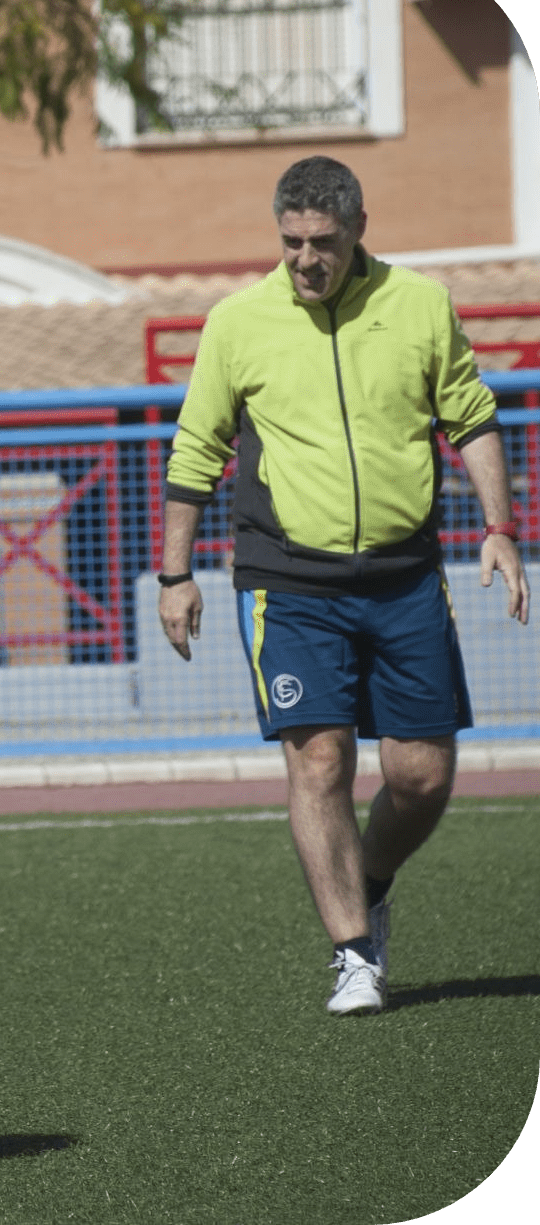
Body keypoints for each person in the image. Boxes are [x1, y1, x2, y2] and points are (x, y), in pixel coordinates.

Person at [159, 156, 529, 1016]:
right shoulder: (238, 323)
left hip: (405, 576)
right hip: (287, 580)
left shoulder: (420, 306)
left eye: (322, 243)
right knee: (319, 755)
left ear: (360, 227)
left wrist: (501, 528)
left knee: (422, 776)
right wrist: (175, 574)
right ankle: (353, 952)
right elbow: (193, 450)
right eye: (290, 243)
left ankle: (370, 880)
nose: (304, 261)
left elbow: (470, 419)